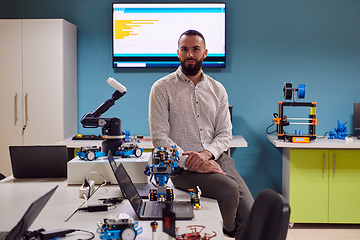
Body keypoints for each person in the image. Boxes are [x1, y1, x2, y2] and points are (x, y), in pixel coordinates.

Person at [148, 29, 254, 239]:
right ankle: (226, 234)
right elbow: (159, 137)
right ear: (177, 53)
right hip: (179, 167)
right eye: (185, 49)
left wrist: (205, 155)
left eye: (195, 49)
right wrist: (190, 161)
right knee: (229, 190)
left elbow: (225, 133)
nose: (190, 54)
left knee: (249, 213)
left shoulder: (217, 89)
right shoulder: (161, 88)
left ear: (205, 53)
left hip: (217, 159)